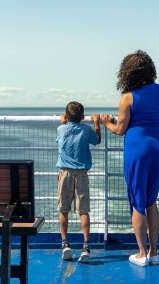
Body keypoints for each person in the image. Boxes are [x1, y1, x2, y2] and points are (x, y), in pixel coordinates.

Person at [101, 50, 159, 267]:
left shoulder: (128, 97)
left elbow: (120, 129)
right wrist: (153, 116)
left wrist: (107, 122)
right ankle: (154, 252)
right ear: (150, 69)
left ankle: (142, 254)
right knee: (152, 200)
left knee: (138, 201)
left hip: (137, 149)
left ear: (127, 73)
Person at [56, 101, 101, 263]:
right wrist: (96, 122)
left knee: (63, 210)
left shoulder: (61, 128)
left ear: (66, 116)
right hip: (81, 174)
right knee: (83, 211)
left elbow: (61, 138)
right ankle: (86, 247)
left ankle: (64, 244)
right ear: (83, 117)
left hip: (65, 174)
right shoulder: (86, 129)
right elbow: (97, 141)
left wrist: (63, 123)